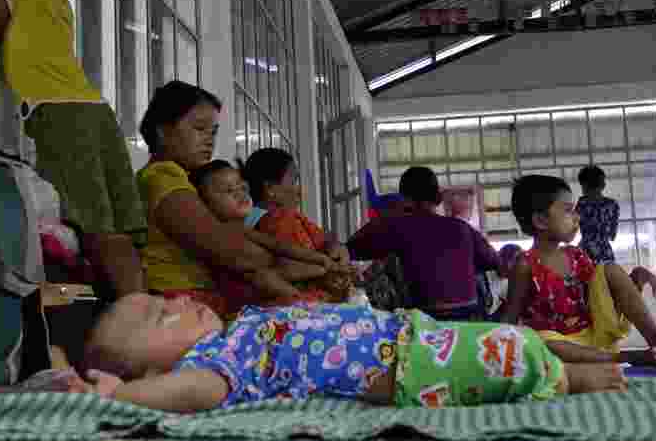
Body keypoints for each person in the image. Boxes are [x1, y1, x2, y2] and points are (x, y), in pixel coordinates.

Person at [0, 0, 146, 298]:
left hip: (60, 114)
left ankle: (136, 318)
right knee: (114, 231)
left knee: (94, 230)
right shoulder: (58, 2)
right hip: (96, 112)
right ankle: (141, 307)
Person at [74, 293, 627, 413]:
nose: (178, 300)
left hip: (410, 331)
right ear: (154, 368)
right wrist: (123, 396)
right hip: (407, 367)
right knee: (505, 357)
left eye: (164, 296)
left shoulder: (234, 331)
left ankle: (595, 360)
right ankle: (581, 382)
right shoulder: (214, 365)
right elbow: (190, 393)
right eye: (159, 315)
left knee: (517, 337)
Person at [136, 81, 322, 317]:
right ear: (163, 131)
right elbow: (232, 253)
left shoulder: (184, 180)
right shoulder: (163, 176)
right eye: (199, 128)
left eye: (213, 132)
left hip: (199, 300)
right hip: (179, 305)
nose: (209, 140)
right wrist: (281, 260)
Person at [504, 175, 656, 367]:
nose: (577, 217)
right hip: (560, 349)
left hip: (594, 339)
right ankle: (629, 358)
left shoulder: (576, 255)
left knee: (609, 269)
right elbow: (509, 322)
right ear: (541, 221)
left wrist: (638, 277)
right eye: (568, 211)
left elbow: (602, 293)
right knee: (539, 342)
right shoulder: (525, 264)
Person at [347, 167, 510, 321]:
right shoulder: (463, 228)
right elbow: (496, 263)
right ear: (438, 198)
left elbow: (349, 250)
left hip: (424, 321)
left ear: (403, 200)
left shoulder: (394, 226)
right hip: (469, 320)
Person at [191, 160, 351, 307]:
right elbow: (280, 248)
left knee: (270, 273)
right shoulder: (228, 229)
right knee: (264, 275)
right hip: (237, 293)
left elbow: (281, 247)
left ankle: (307, 297)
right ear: (204, 204)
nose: (240, 194)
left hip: (256, 289)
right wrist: (323, 262)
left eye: (242, 187)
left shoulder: (248, 225)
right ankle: (301, 301)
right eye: (228, 190)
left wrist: (322, 260)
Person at [241, 148, 356, 300]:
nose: (299, 191)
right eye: (294, 181)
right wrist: (335, 266)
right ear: (270, 189)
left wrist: (334, 246)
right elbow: (290, 266)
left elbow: (326, 241)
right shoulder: (279, 218)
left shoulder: (251, 218)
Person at [576, 165, 619, 265]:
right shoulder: (612, 205)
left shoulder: (581, 204)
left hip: (585, 252)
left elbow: (572, 227)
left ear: (584, 185)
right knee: (607, 277)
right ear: (603, 185)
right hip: (605, 252)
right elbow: (612, 235)